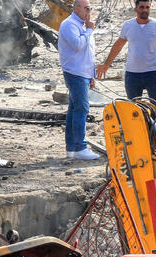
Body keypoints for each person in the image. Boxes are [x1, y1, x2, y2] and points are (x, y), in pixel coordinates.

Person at [96, 0, 156, 103]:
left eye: (147, 7)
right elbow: (118, 45)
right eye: (142, 7)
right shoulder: (128, 25)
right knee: (133, 107)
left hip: (153, 72)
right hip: (132, 73)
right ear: (135, 9)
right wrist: (106, 64)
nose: (145, 10)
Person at [58, 0, 100, 160]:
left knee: (74, 109)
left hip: (83, 73)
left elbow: (89, 52)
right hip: (75, 73)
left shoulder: (83, 25)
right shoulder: (69, 24)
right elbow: (78, 45)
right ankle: (80, 147)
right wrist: (89, 30)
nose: (89, 11)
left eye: (90, 8)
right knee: (82, 108)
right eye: (86, 8)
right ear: (76, 8)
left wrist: (91, 74)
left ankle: (72, 148)